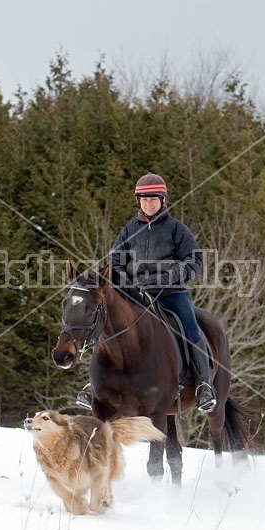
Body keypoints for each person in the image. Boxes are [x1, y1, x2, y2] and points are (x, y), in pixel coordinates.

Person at [76, 172, 217, 414]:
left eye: (153, 200)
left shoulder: (176, 229)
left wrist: (170, 276)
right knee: (107, 325)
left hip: (171, 293)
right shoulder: (129, 230)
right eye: (144, 200)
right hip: (135, 293)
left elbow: (194, 259)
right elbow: (115, 261)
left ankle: (204, 385)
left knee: (191, 328)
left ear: (163, 200)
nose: (148, 204)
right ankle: (95, 385)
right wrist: (128, 279)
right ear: (139, 202)